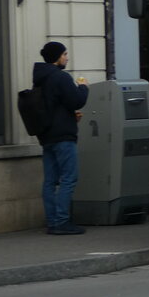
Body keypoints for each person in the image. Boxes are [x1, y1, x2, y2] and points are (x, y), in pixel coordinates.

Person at [33, 41, 89, 235]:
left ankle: (52, 221)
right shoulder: (61, 77)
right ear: (57, 57)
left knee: (50, 181)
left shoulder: (40, 78)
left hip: (47, 136)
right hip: (63, 137)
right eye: (64, 54)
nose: (67, 57)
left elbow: (53, 106)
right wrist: (83, 87)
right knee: (68, 178)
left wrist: (69, 117)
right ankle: (62, 221)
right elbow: (76, 100)